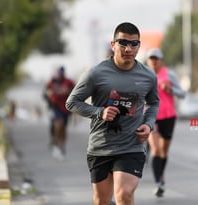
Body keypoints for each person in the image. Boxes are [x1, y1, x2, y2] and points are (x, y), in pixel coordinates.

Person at [65, 22, 159, 205]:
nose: (128, 48)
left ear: (139, 46)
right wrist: (100, 113)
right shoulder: (96, 74)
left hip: (132, 146)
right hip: (101, 146)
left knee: (124, 194)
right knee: (102, 200)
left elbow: (154, 103)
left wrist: (148, 124)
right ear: (113, 44)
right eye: (123, 42)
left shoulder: (148, 76)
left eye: (134, 43)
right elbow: (72, 103)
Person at [145, 48, 185, 197]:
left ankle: (161, 175)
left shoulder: (169, 74)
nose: (154, 62)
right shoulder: (143, 75)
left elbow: (182, 93)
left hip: (168, 116)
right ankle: (158, 182)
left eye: (157, 59)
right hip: (150, 116)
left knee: (163, 151)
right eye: (151, 59)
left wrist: (170, 89)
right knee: (155, 149)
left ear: (161, 60)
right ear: (148, 61)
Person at [45, 66, 75, 161]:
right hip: (56, 106)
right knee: (59, 124)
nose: (59, 76)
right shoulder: (52, 82)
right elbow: (46, 91)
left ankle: (62, 146)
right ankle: (56, 144)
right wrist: (48, 95)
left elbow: (76, 92)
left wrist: (68, 92)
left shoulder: (69, 82)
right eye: (58, 74)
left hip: (66, 107)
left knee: (63, 128)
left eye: (61, 74)